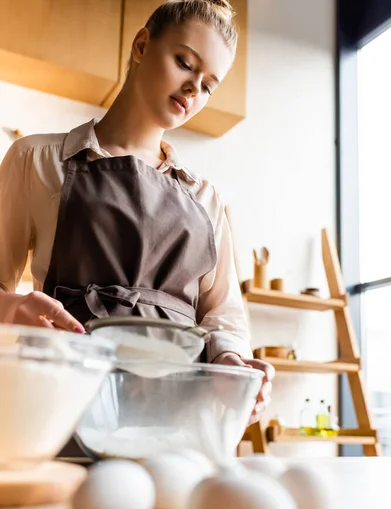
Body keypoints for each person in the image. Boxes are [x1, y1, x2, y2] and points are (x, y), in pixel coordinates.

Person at [0, 0, 273, 422]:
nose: (192, 90)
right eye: (185, 63)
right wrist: (13, 310)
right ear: (143, 45)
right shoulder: (35, 159)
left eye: (208, 86)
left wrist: (233, 363)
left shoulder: (205, 198)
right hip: (67, 408)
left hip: (179, 422)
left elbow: (223, 315)